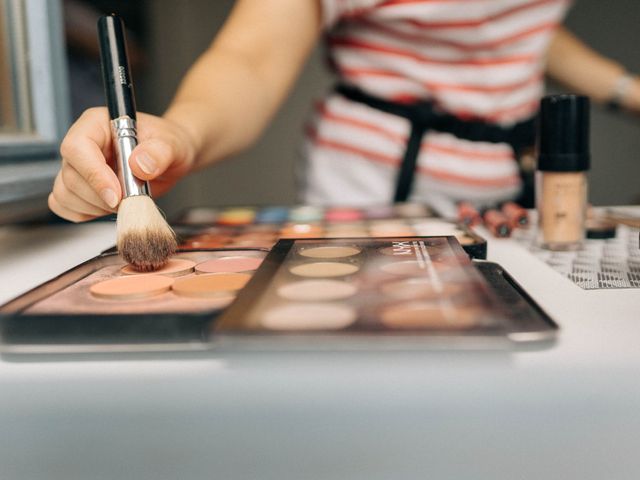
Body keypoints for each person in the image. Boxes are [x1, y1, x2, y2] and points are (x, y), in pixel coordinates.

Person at [49, 0, 640, 222]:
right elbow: (250, 59)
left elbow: (507, 23)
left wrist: (627, 90)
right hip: (373, 189)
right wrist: (180, 132)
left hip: (513, 189)